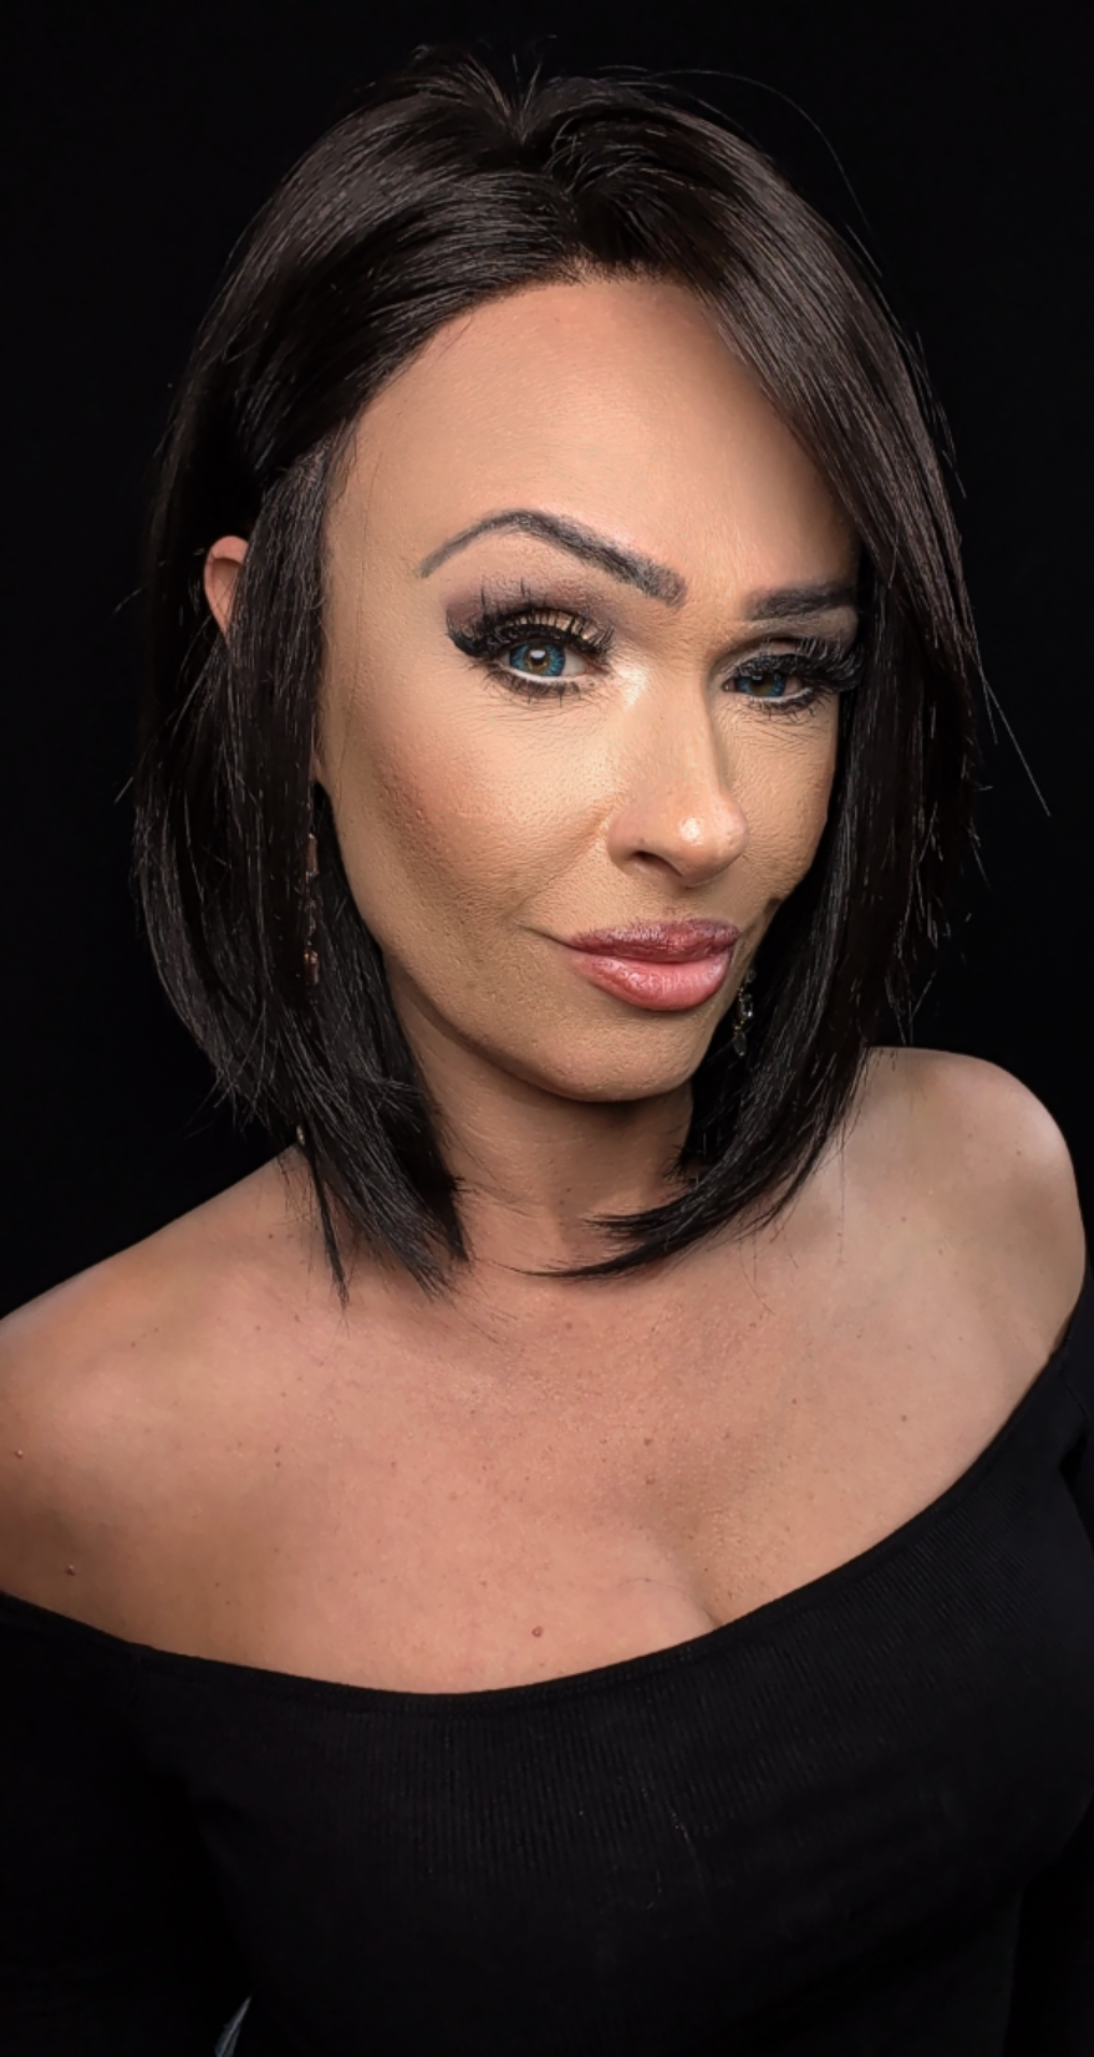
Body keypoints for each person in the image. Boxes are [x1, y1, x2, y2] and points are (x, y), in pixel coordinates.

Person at [0, 44, 1090, 2057]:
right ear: (273, 646)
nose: (699, 816)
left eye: (781, 671)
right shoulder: (69, 1445)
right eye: (543, 644)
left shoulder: (993, 1184)